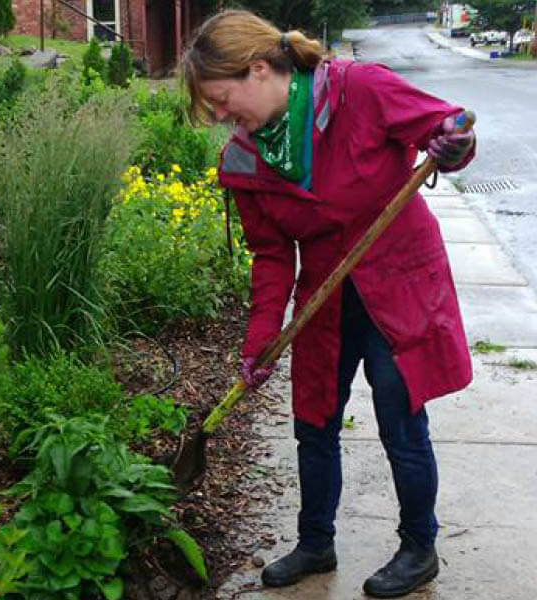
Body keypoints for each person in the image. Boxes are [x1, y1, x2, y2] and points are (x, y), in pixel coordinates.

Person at [181, 10, 476, 599]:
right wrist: (259, 342)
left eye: (219, 98)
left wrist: (454, 140)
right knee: (313, 422)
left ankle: (419, 547)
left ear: (259, 69)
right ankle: (315, 541)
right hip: (324, 295)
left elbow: (447, 125)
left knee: (401, 421)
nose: (218, 116)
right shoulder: (244, 161)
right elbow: (270, 258)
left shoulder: (356, 91)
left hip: (396, 281)